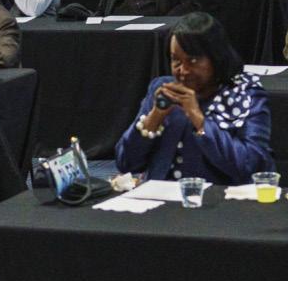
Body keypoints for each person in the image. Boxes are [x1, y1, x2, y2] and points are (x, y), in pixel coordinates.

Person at [115, 12, 271, 185]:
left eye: (193, 61)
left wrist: (198, 119)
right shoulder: (162, 90)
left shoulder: (245, 93)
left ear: (216, 58)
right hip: (160, 195)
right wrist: (155, 117)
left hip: (219, 197)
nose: (183, 70)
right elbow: (125, 163)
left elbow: (251, 166)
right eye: (176, 60)